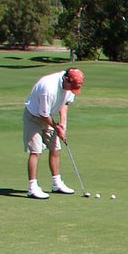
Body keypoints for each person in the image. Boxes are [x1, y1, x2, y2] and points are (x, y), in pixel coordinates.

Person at [22, 68, 84, 199]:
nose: (71, 89)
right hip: (34, 116)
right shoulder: (48, 88)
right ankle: (32, 187)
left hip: (48, 116)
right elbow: (43, 114)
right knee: (36, 151)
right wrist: (56, 128)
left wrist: (63, 124)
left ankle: (57, 183)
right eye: (71, 86)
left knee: (55, 148)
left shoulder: (68, 87)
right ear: (66, 79)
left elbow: (65, 103)